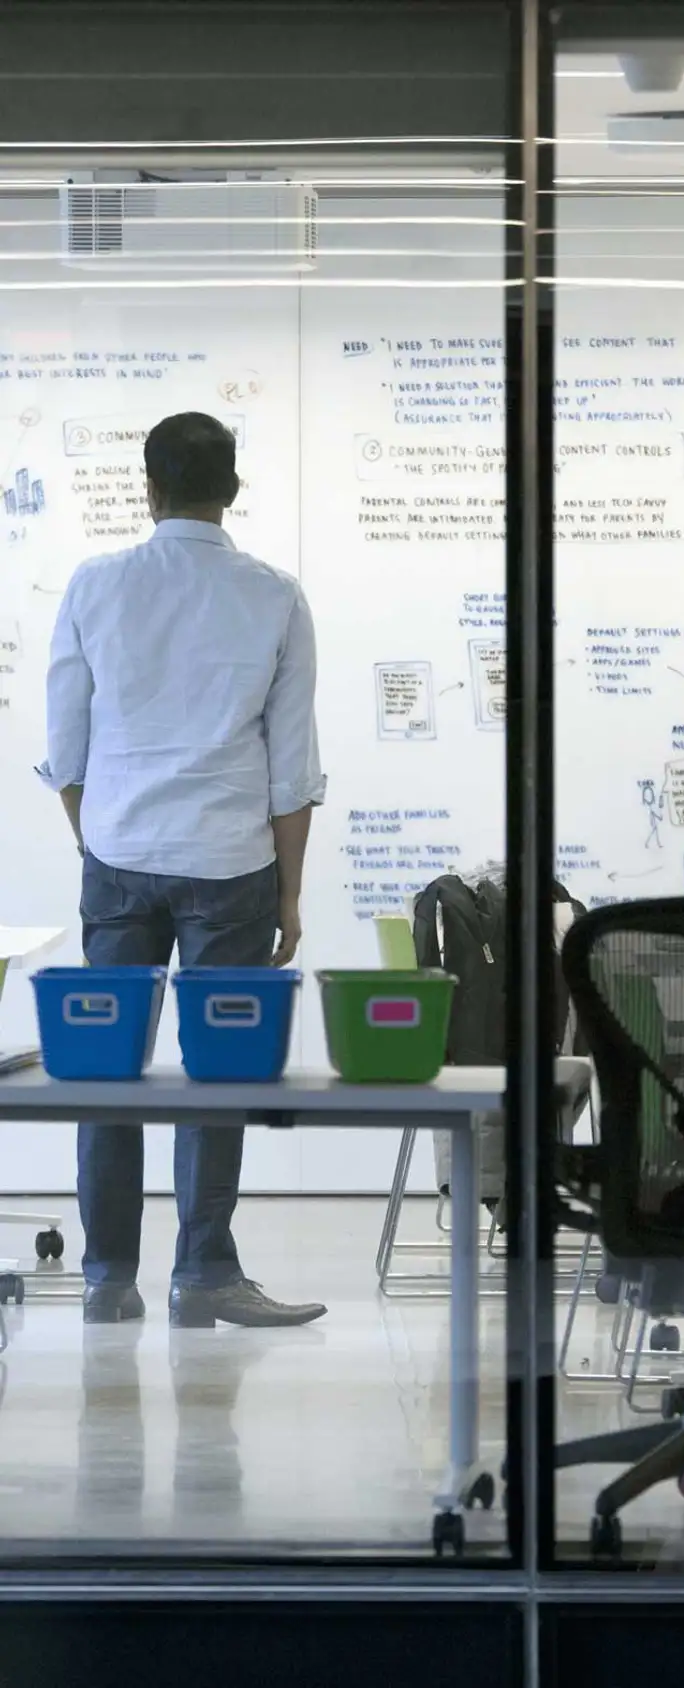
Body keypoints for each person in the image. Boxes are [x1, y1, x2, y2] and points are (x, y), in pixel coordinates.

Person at [37, 412, 327, 1330]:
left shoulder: (96, 584)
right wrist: (289, 892)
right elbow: (292, 762)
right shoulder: (276, 595)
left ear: (149, 489)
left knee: (104, 1076)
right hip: (232, 860)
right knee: (219, 1075)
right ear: (231, 490)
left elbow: (66, 743)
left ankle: (106, 1276)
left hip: (119, 853)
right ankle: (204, 1271)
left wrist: (100, 841)